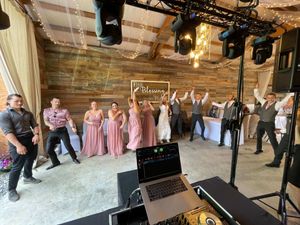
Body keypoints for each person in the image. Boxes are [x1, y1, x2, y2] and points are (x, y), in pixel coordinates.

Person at [0, 94, 41, 202]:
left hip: (30, 139)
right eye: (16, 101)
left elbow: (35, 125)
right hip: (16, 141)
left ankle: (27, 177)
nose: (20, 103)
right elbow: (8, 132)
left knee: (31, 158)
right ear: (8, 102)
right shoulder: (5, 114)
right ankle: (11, 190)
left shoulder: (28, 113)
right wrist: (18, 146)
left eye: (21, 101)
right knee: (17, 166)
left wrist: (36, 135)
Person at [253, 84, 293, 155]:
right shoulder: (264, 102)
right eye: (268, 97)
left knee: (272, 139)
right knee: (259, 137)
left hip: (269, 124)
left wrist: (291, 94)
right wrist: (256, 89)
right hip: (261, 122)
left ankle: (277, 153)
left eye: (272, 97)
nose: (270, 99)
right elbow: (257, 96)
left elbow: (284, 100)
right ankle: (259, 149)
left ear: (274, 98)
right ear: (266, 98)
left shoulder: (277, 104)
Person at [43, 97, 80, 170]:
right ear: (51, 102)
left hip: (62, 130)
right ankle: (55, 162)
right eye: (56, 101)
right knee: (48, 149)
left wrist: (72, 127)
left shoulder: (64, 111)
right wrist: (50, 125)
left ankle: (74, 158)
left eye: (58, 102)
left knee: (68, 145)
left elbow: (69, 119)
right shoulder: (46, 111)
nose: (57, 103)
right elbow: (46, 121)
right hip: (53, 131)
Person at [265, 96, 294, 167]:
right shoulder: (291, 110)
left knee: (293, 152)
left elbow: (294, 126)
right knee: (280, 149)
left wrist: (282, 130)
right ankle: (276, 163)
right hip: (288, 134)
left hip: (294, 135)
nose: (287, 103)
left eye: (289, 101)